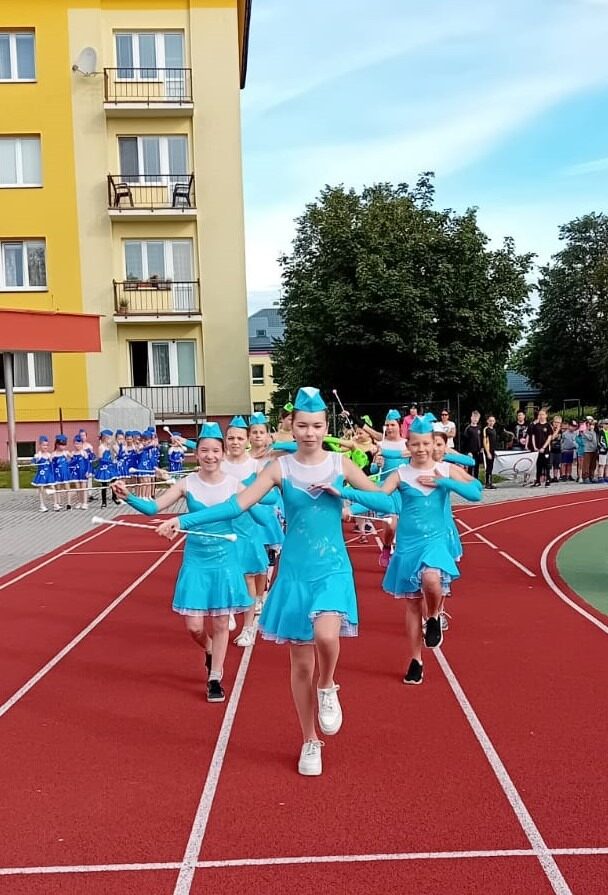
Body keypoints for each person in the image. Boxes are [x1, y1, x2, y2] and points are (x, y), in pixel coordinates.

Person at [156, 387, 380, 777]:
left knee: (326, 635)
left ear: (325, 427)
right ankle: (310, 740)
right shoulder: (279, 469)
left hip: (332, 567)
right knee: (300, 664)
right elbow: (235, 505)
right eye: (302, 426)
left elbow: (388, 502)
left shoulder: (340, 464)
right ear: (292, 427)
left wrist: (344, 495)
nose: (309, 433)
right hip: (293, 572)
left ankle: (328, 686)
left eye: (317, 426)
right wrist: (182, 520)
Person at [323, 415, 482, 686]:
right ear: (408, 446)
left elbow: (476, 493)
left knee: (431, 578)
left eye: (426, 444)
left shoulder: (445, 470)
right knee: (412, 604)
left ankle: (434, 616)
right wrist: (345, 496)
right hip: (408, 545)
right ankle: (415, 659)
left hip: (435, 541)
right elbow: (380, 498)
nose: (421, 449)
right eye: (415, 444)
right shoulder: (401, 474)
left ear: (434, 444)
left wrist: (444, 483)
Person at [114, 422, 255, 703]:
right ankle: (210, 649)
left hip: (225, 560)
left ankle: (215, 677)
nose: (210, 456)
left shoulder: (235, 485)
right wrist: (128, 496)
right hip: (196, 560)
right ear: (196, 453)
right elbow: (154, 508)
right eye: (205, 450)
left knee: (220, 620)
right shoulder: (187, 483)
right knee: (194, 626)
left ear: (223, 453)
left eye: (215, 451)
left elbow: (257, 510)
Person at [221, 415, 270, 648]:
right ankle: (229, 610)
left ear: (247, 440)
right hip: (223, 526)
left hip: (247, 527)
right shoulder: (219, 463)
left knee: (249, 576)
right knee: (225, 574)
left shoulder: (255, 466)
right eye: (231, 438)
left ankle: (248, 627)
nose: (235, 442)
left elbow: (269, 495)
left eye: (240, 438)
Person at [363, 409, 409, 567]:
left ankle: (401, 556)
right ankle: (387, 547)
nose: (389, 428)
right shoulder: (381, 444)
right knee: (391, 524)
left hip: (404, 489)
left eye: (392, 425)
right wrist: (377, 464)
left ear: (400, 426)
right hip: (386, 489)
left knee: (406, 528)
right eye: (387, 425)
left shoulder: (407, 444)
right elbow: (374, 470)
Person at [528, 409, 552, 487]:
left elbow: (549, 437)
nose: (541, 416)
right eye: (540, 414)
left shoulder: (548, 426)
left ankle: (548, 480)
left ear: (546, 415)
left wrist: (544, 447)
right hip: (537, 448)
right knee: (538, 464)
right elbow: (533, 436)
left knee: (547, 464)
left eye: (543, 414)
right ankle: (538, 480)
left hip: (545, 448)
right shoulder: (536, 426)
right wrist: (534, 446)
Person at [31, 435, 55, 511]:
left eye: (47, 445)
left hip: (49, 474)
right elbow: (33, 463)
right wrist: (35, 460)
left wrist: (51, 461)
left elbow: (52, 465)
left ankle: (55, 504)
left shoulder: (49, 455)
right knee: (41, 489)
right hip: (41, 474)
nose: (45, 447)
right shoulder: (38, 455)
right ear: (40, 445)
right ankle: (42, 505)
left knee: (53, 488)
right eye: (44, 445)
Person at [51, 434, 72, 509]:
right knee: (58, 487)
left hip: (65, 472)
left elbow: (73, 459)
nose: (63, 447)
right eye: (61, 445)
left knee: (67, 487)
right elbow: (50, 463)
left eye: (64, 445)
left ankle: (69, 503)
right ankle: (58, 502)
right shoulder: (53, 454)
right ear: (57, 444)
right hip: (57, 473)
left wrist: (69, 462)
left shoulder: (66, 453)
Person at [461, 411, 483, 479]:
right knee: (470, 467)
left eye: (477, 418)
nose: (475, 419)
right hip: (470, 452)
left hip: (477, 451)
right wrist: (467, 452)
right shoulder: (468, 429)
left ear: (478, 419)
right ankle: (469, 481)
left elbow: (481, 439)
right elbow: (465, 441)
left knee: (476, 467)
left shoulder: (479, 428)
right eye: (474, 417)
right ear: (471, 418)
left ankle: (476, 480)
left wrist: (481, 448)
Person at [482, 415, 497, 489]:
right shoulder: (486, 429)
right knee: (488, 467)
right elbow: (485, 441)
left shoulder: (494, 430)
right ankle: (487, 483)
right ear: (487, 421)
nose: (491, 422)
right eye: (490, 421)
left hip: (493, 450)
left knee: (491, 467)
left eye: (493, 421)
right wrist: (487, 452)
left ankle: (490, 482)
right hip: (488, 450)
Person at [581, 417, 598, 483]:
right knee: (586, 464)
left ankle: (591, 476)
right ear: (587, 424)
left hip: (594, 450)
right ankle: (585, 477)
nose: (592, 426)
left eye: (593, 424)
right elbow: (590, 438)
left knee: (593, 464)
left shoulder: (594, 432)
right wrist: (592, 431)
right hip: (587, 450)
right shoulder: (585, 432)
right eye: (590, 424)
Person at [548, 416, 563, 483]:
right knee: (549, 464)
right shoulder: (550, 429)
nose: (557, 424)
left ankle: (555, 477)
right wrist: (557, 430)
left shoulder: (561, 430)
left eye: (559, 423)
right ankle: (547, 476)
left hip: (558, 449)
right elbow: (552, 438)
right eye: (556, 422)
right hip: (551, 449)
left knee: (556, 464)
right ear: (553, 422)